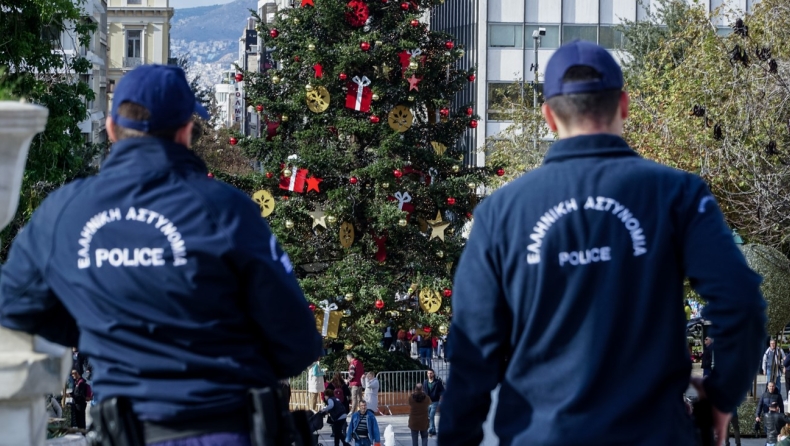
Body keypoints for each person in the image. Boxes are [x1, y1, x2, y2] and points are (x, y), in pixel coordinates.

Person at [440, 40, 767, 446]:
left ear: (548, 117)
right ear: (624, 105)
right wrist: (720, 398)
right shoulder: (676, 193)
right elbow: (742, 302)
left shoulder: (500, 213)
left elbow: (473, 351)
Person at [0, 64, 322, 445]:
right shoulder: (225, 210)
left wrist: (97, 323)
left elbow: (15, 305)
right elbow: (296, 343)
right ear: (186, 130)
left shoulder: (63, 214)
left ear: (110, 128)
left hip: (126, 431)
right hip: (228, 428)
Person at [423, 368, 444, 437]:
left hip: (435, 401)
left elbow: (442, 390)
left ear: (433, 374)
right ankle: (434, 430)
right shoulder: (425, 382)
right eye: (428, 373)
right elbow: (423, 391)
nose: (429, 375)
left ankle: (431, 430)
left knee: (431, 415)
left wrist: (441, 396)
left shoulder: (437, 382)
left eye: (431, 373)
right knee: (428, 416)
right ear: (427, 374)